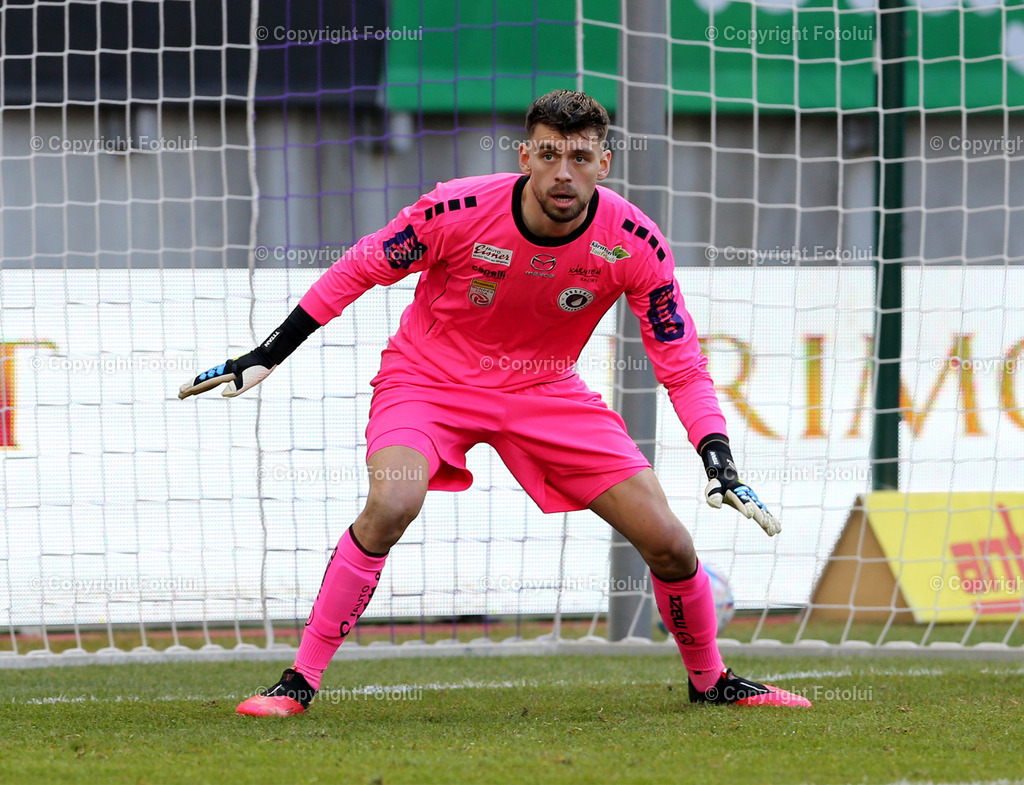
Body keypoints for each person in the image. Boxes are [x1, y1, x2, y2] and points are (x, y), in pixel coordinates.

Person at [180, 90, 811, 714]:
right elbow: (359, 269)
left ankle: (711, 680)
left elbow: (681, 362)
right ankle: (299, 680)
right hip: (429, 382)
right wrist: (267, 353)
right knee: (392, 503)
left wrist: (717, 454)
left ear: (605, 164)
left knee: (671, 543)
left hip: (545, 391)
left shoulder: (635, 243)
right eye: (550, 154)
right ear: (525, 157)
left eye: (582, 157)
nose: (565, 172)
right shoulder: (458, 208)